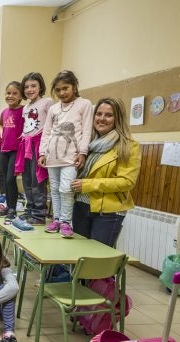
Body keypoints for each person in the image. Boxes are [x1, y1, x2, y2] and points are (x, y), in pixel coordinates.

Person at [71, 97, 142, 247]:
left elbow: (127, 182)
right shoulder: (86, 144)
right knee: (77, 255)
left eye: (109, 115)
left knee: (97, 261)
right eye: (99, 114)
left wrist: (87, 185)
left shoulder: (129, 146)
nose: (102, 119)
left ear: (118, 119)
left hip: (109, 211)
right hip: (80, 206)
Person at [39, 70, 93, 238]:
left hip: (71, 156)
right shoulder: (54, 108)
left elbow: (86, 130)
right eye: (58, 90)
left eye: (65, 88)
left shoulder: (84, 104)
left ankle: (65, 222)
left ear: (74, 86)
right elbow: (47, 131)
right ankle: (55, 219)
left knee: (66, 189)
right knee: (54, 189)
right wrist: (42, 152)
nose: (62, 93)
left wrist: (82, 152)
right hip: (52, 156)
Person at [17, 72, 53, 225]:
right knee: (27, 180)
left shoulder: (47, 102)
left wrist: (44, 149)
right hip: (26, 144)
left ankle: (39, 214)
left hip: (39, 145)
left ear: (40, 87)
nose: (30, 89)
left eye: (33, 86)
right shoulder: (26, 107)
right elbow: (27, 126)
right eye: (26, 87)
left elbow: (51, 125)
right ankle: (30, 210)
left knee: (37, 180)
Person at [0, 81, 25, 220]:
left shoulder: (23, 111)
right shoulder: (4, 111)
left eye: (14, 93)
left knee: (10, 180)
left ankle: (13, 208)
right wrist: (2, 133)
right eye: (8, 93)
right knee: (4, 179)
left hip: (16, 150)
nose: (10, 96)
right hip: (4, 149)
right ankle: (8, 206)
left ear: (21, 96)